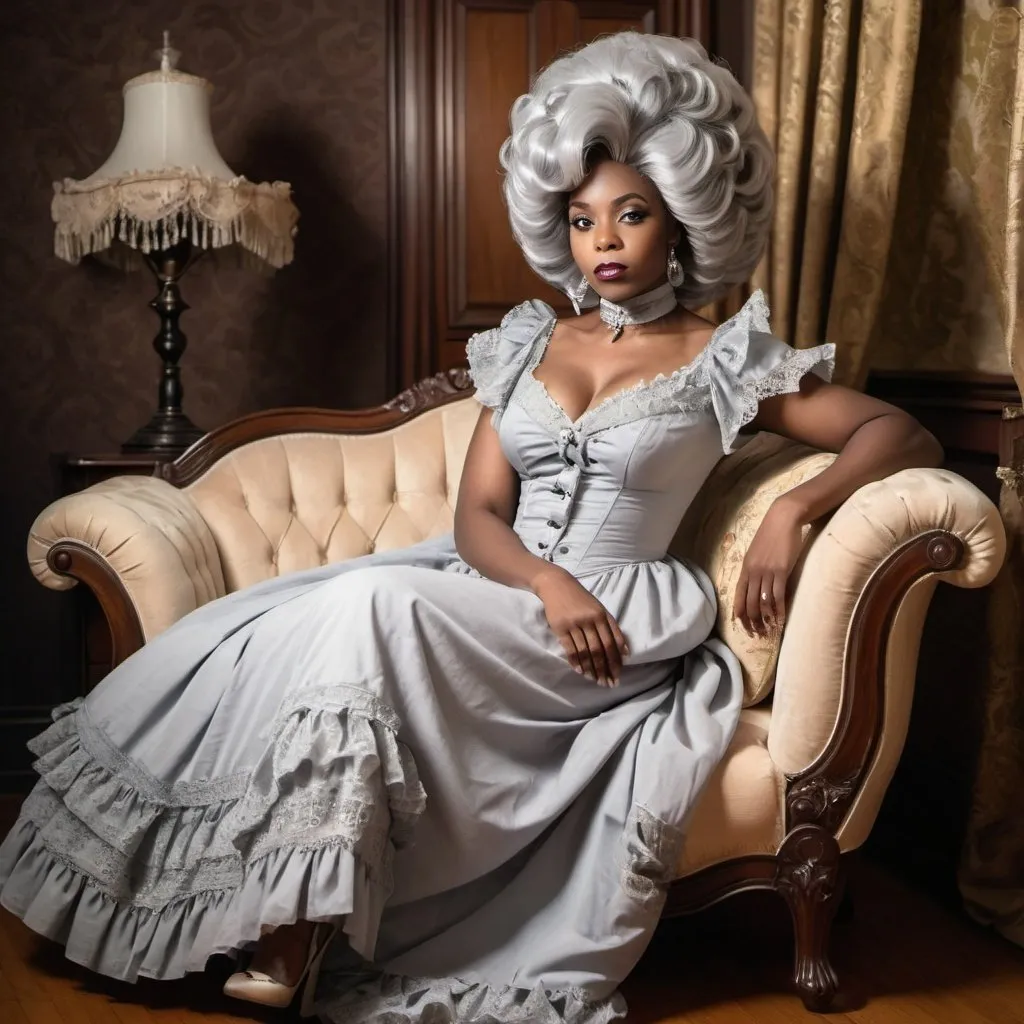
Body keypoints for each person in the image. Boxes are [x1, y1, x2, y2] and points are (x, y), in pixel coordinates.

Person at [0, 31, 942, 1024]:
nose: (604, 243)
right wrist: (543, 580)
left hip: (619, 624)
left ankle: (296, 932)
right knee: (311, 617)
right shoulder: (530, 340)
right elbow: (477, 515)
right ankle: (284, 918)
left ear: (683, 222)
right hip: (498, 585)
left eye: (630, 215)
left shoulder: (723, 359)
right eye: (581, 221)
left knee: (371, 602)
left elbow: (899, 430)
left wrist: (795, 506)